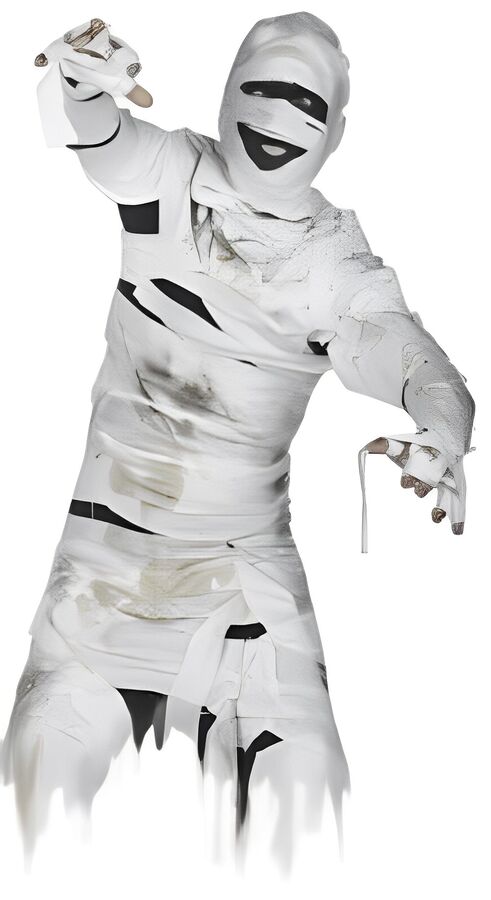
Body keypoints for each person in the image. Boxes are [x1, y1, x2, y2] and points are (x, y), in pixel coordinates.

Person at [0, 14, 475, 867]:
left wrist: (442, 429)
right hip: (104, 571)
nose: (279, 117)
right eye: (264, 90)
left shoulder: (335, 267)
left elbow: (414, 361)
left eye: (305, 102)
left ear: (334, 131)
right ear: (227, 96)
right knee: (32, 800)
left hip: (247, 587)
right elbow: (103, 141)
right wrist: (78, 84)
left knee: (306, 804)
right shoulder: (172, 177)